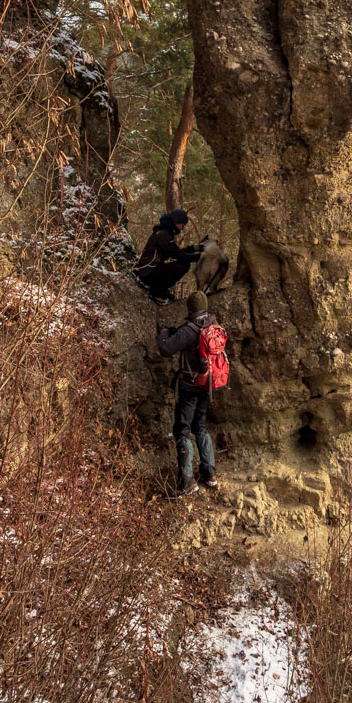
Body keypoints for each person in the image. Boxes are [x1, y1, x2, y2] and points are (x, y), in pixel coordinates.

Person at [157, 291, 218, 495]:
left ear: (189, 309)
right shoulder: (213, 326)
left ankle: (187, 481)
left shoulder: (189, 330)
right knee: (200, 425)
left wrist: (164, 333)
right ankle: (209, 474)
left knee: (182, 430)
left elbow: (165, 349)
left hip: (189, 387)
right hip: (208, 384)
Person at [134, 209, 201, 306]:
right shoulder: (163, 235)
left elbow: (176, 251)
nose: (182, 228)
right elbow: (178, 255)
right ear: (176, 222)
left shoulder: (164, 232)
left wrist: (193, 249)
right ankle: (156, 292)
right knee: (181, 267)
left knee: (182, 264)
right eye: (182, 225)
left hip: (150, 270)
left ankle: (160, 288)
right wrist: (199, 257)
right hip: (147, 273)